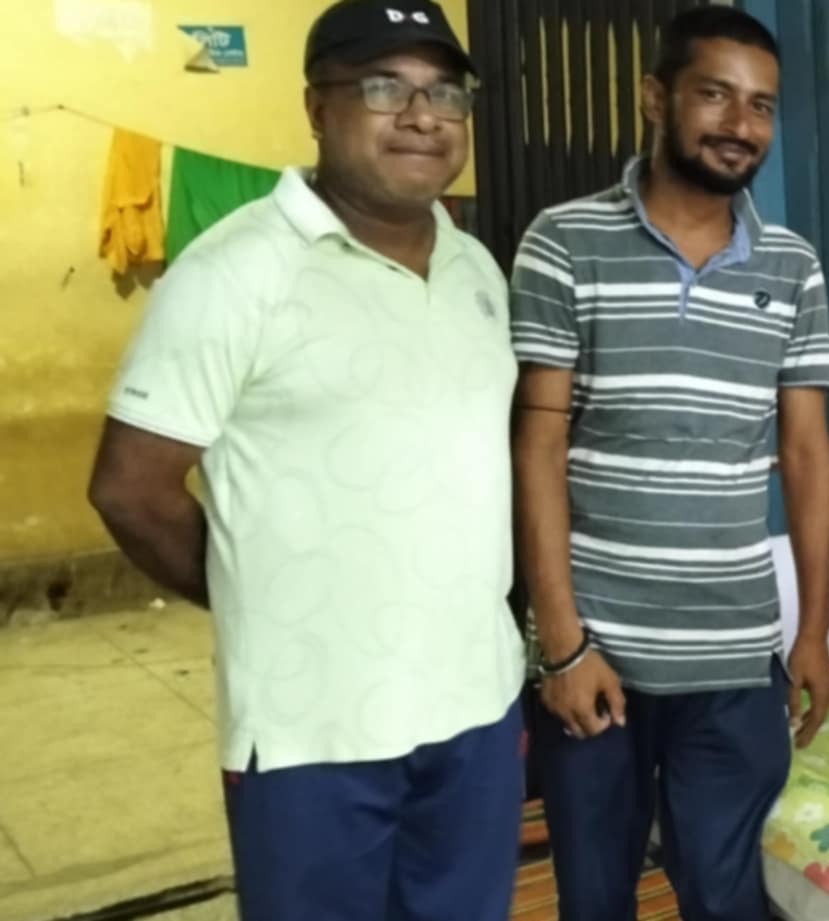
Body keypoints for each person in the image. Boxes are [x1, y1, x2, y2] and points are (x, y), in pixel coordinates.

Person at [86, 2, 525, 918]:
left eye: (445, 92)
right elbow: (131, 489)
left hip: (477, 713)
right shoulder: (236, 272)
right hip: (309, 736)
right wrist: (258, 588)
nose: (422, 116)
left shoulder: (477, 268)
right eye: (385, 88)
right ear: (317, 108)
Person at [507, 7, 829, 921]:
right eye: (715, 95)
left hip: (734, 657)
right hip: (598, 653)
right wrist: (561, 642)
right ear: (656, 98)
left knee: (727, 897)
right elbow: (538, 443)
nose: (741, 124)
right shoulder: (564, 241)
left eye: (762, 105)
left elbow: (806, 452)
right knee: (596, 898)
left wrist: (814, 630)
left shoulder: (793, 266)